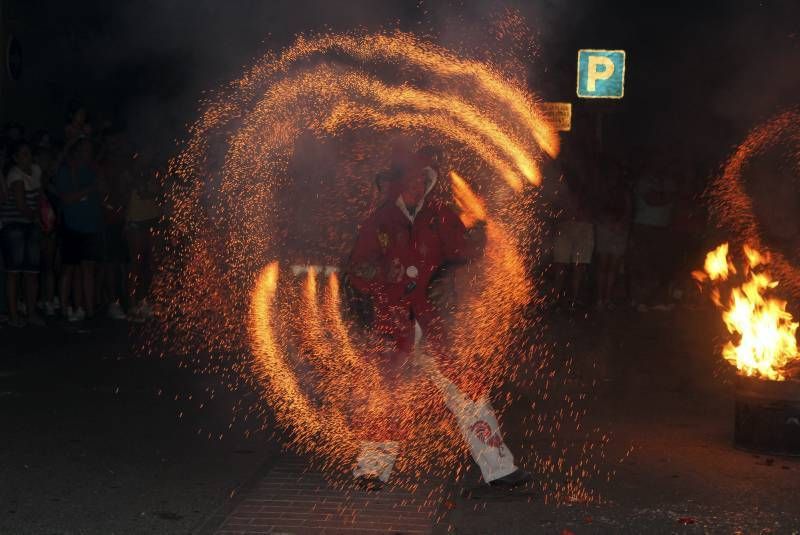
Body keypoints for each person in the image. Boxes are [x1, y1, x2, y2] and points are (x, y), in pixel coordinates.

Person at [346, 151, 530, 490]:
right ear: (399, 183)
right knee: (385, 395)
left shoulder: (440, 216)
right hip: (394, 323)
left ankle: (500, 468)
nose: (419, 186)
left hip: (432, 322)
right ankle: (372, 469)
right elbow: (358, 268)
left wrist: (480, 231)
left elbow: (462, 252)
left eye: (423, 180)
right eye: (413, 180)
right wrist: (377, 274)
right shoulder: (379, 221)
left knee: (468, 388)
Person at [54, 137, 102, 321]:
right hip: (72, 226)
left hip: (91, 227)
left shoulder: (92, 170)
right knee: (69, 269)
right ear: (77, 151)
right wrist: (89, 189)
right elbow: (66, 199)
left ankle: (88, 310)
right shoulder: (65, 171)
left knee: (89, 268)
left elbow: (101, 193)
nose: (88, 152)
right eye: (85, 149)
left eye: (90, 149)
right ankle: (66, 309)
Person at [0, 141, 44, 327]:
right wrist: (38, 217)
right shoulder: (15, 174)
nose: (28, 156)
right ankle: (14, 316)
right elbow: (20, 205)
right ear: (16, 158)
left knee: (32, 272)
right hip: (15, 226)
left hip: (31, 225)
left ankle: (31, 313)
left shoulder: (35, 170)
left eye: (29, 153)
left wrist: (42, 215)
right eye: (23, 154)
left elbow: (40, 195)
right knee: (14, 272)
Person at [629, 158, 677, 312]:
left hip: (662, 228)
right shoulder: (643, 182)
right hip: (644, 227)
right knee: (643, 264)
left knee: (658, 265)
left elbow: (674, 198)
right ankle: (639, 300)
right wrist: (668, 196)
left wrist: (667, 196)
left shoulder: (668, 182)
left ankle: (656, 300)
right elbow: (652, 200)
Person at [550, 167, 594, 311]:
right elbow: (555, 209)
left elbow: (591, 210)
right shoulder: (561, 190)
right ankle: (556, 300)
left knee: (578, 267)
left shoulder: (589, 189)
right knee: (561, 267)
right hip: (566, 227)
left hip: (583, 228)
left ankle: (573, 301)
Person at [125, 154, 160, 322]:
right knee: (135, 265)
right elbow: (142, 193)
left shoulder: (153, 173)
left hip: (150, 222)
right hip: (136, 224)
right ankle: (132, 306)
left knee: (149, 265)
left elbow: (157, 193)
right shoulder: (129, 175)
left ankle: (143, 301)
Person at [594, 164, 631, 311]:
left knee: (613, 267)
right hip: (605, 230)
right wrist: (606, 223)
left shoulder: (624, 191)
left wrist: (620, 225)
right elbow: (596, 208)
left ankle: (607, 299)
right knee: (603, 266)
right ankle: (599, 299)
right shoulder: (602, 189)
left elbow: (628, 210)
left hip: (619, 232)